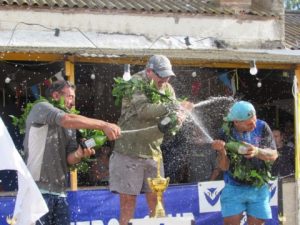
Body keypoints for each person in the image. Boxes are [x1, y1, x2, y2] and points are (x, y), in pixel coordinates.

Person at [109, 55, 193, 225]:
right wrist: (173, 106)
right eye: (161, 75)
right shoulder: (135, 83)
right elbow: (144, 111)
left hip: (154, 153)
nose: (165, 79)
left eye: (167, 75)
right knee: (128, 203)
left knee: (157, 201)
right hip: (128, 151)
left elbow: (173, 121)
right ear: (149, 71)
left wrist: (178, 118)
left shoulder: (168, 89)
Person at [23, 80, 121, 225]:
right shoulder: (41, 107)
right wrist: (104, 125)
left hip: (60, 192)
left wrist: (80, 154)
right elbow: (66, 119)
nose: (73, 102)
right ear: (56, 95)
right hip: (37, 191)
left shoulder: (70, 126)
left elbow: (69, 159)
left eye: (74, 98)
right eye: (69, 97)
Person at [211, 101, 278, 225]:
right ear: (236, 122)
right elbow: (224, 167)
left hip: (259, 187)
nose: (253, 125)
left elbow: (274, 155)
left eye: (254, 120)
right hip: (234, 187)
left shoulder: (262, 126)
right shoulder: (224, 133)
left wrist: (257, 151)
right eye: (248, 124)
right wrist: (221, 151)